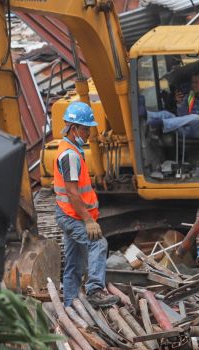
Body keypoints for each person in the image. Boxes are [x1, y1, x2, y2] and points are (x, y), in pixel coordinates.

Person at [54, 101, 119, 307]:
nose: (89, 133)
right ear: (74, 128)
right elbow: (73, 193)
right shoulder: (70, 155)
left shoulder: (71, 150)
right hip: (71, 215)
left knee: (74, 263)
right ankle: (95, 291)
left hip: (69, 214)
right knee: (99, 243)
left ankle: (69, 304)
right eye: (86, 128)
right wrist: (89, 221)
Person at [147, 73, 199, 139]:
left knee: (195, 118)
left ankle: (162, 124)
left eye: (196, 82)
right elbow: (182, 116)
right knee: (166, 114)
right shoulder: (190, 95)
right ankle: (146, 115)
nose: (193, 85)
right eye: (192, 82)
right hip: (186, 129)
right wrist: (180, 103)